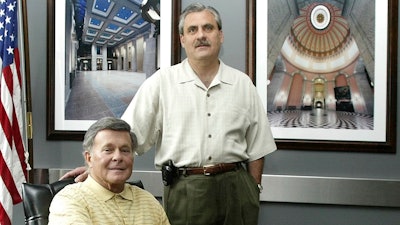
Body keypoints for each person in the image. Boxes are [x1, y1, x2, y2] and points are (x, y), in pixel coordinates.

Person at [61, 3, 276, 225]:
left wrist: (253, 188)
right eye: (192, 30)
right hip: (186, 191)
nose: (200, 35)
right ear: (182, 39)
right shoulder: (161, 83)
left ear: (220, 35)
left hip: (237, 189)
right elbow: (125, 135)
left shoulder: (242, 84)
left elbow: (258, 144)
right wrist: (94, 167)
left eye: (208, 28)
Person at [49, 117, 170, 225]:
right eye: (108, 150)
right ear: (89, 158)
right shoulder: (70, 199)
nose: (118, 157)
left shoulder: (148, 202)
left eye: (125, 150)